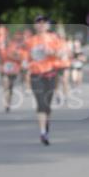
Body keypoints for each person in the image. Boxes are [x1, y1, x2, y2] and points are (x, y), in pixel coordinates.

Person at [27, 15, 60, 145]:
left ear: (48, 25)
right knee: (41, 103)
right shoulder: (30, 41)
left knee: (47, 106)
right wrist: (24, 63)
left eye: (44, 22)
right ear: (35, 25)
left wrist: (51, 52)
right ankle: (42, 133)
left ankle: (46, 126)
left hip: (50, 74)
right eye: (38, 22)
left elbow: (61, 54)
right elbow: (26, 58)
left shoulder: (54, 38)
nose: (41, 24)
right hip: (36, 75)